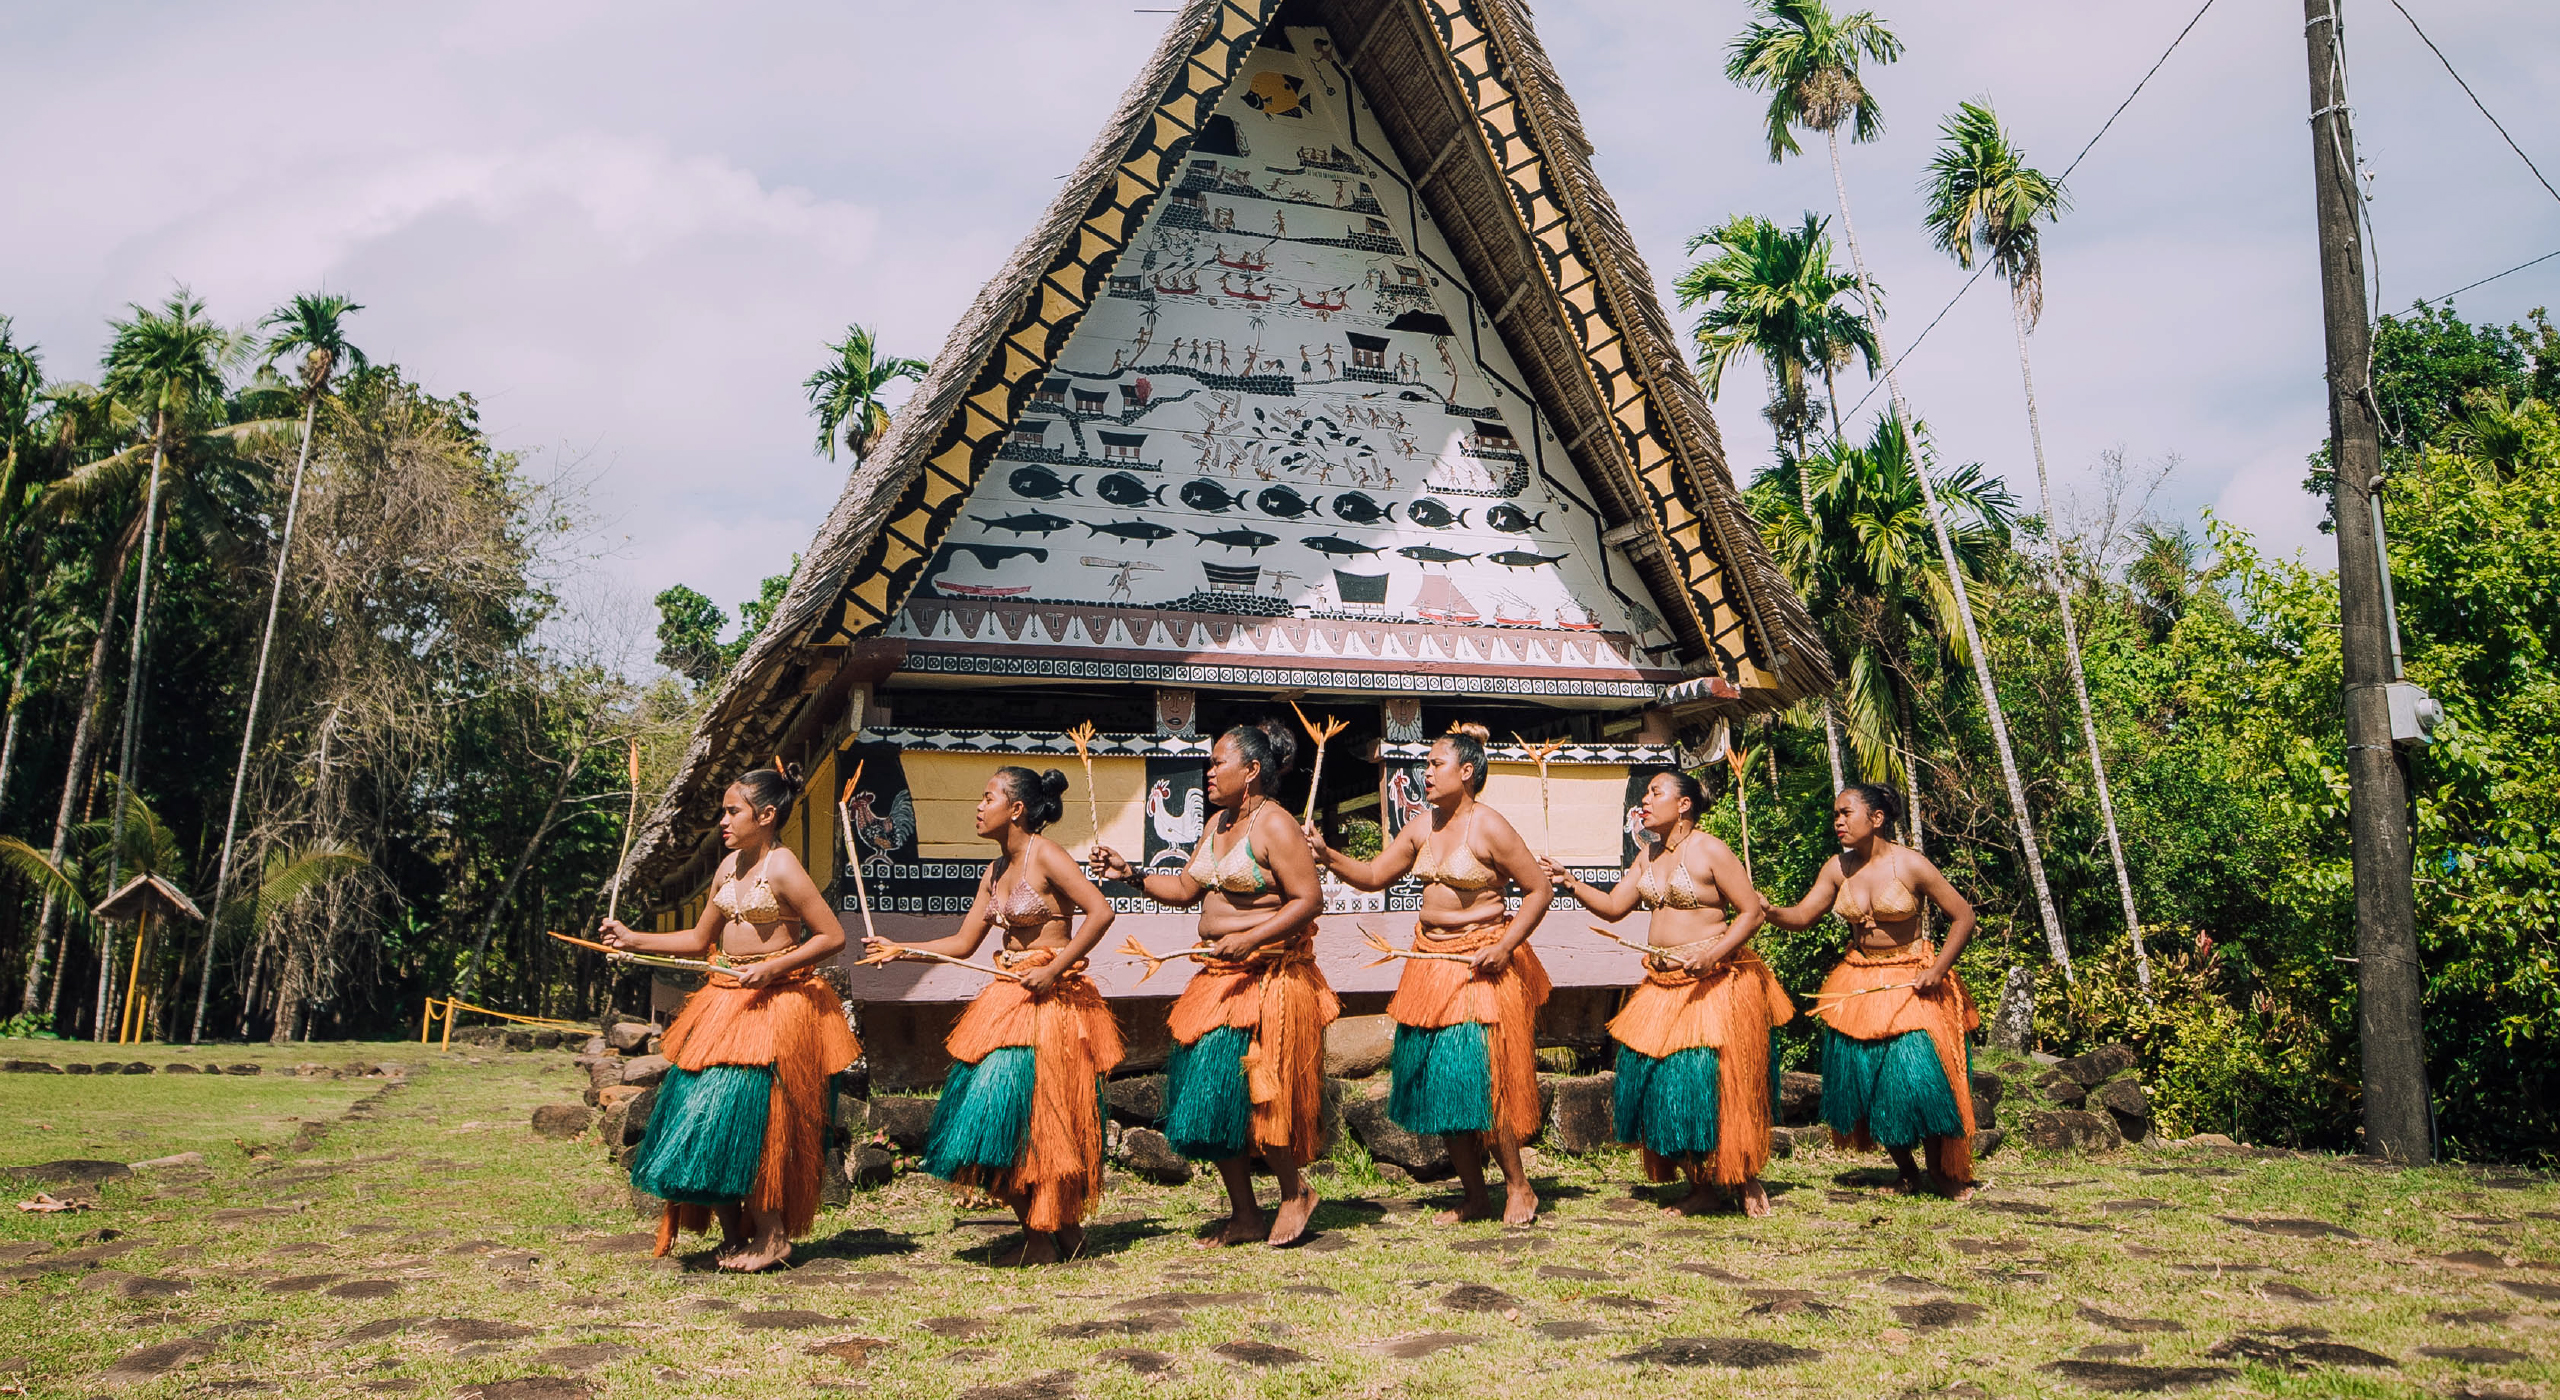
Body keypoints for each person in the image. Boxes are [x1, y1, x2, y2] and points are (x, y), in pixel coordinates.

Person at [601, 762, 858, 1272]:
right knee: (703, 1111)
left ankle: (772, 1236)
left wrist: (773, 967)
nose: (723, 820)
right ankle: (735, 1231)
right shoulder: (728, 867)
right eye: (723, 811)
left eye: (732, 810)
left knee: (755, 1118)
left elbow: (832, 937)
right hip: (724, 1001)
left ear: (764, 815)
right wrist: (634, 939)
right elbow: (699, 941)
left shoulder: (783, 867)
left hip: (773, 1007)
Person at [862, 767, 1122, 1266]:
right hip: (1008, 998)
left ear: (1017, 809)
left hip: (1051, 1003)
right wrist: (900, 949)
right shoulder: (995, 870)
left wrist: (1055, 968)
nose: (979, 808)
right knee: (998, 1118)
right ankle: (1056, 1234)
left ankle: (1047, 1238)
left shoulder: (1045, 855)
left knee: (1039, 1118)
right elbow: (962, 943)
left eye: (987, 798)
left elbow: (1100, 912)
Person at [1090, 720, 1334, 1248]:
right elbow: (1183, 888)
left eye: (1219, 761)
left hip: (1268, 976)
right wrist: (1130, 873)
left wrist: (1251, 938)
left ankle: (1295, 1192)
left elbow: (1309, 900)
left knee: (1257, 1088)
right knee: (1214, 1091)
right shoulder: (1218, 823)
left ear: (1250, 771)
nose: (1209, 771)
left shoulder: (1275, 825)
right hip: (1218, 976)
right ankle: (1245, 1213)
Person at [1310, 722, 1552, 1225]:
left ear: (1466, 771)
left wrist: (1507, 946)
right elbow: (1377, 875)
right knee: (1441, 1081)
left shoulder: (1489, 826)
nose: (1426, 774)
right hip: (1430, 962)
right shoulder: (1421, 826)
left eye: (1435, 764)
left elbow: (1538, 891)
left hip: (1481, 961)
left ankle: (1518, 1187)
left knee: (1485, 1079)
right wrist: (1328, 856)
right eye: (1425, 765)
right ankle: (1475, 1195)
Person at [1547, 768, 1792, 1216]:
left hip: (1713, 984)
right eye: (1644, 793)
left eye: (1655, 792)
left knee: (1710, 1083)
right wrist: (1571, 882)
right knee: (1659, 1085)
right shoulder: (1647, 854)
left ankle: (1742, 1176)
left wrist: (1715, 954)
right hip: (1662, 985)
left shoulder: (1709, 850)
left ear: (1684, 805)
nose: (1644, 799)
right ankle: (1699, 1186)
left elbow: (1752, 912)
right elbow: (1615, 907)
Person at [1761, 783, 1982, 1200]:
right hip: (1859, 979)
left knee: (1922, 1080)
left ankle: (1942, 1172)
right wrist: (1772, 912)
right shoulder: (1837, 868)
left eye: (1846, 813)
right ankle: (1907, 1172)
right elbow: (1805, 915)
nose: (1838, 822)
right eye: (1835, 815)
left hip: (1911, 978)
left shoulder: (1911, 865)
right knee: (1869, 1080)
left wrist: (1938, 969)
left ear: (1876, 818)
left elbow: (1963, 916)